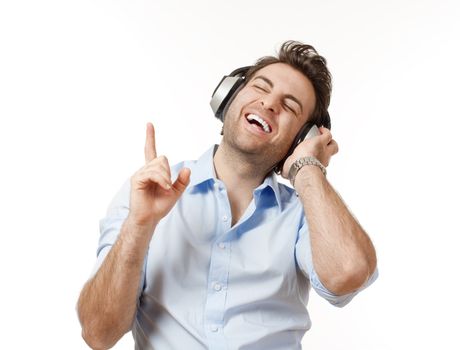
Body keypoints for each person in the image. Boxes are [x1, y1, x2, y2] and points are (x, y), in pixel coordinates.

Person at [77, 40, 378, 350]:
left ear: (302, 138)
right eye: (261, 87)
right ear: (228, 96)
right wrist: (140, 223)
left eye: (290, 106)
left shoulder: (305, 215)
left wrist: (307, 166)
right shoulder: (147, 191)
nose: (270, 104)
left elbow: (348, 273)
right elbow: (98, 333)